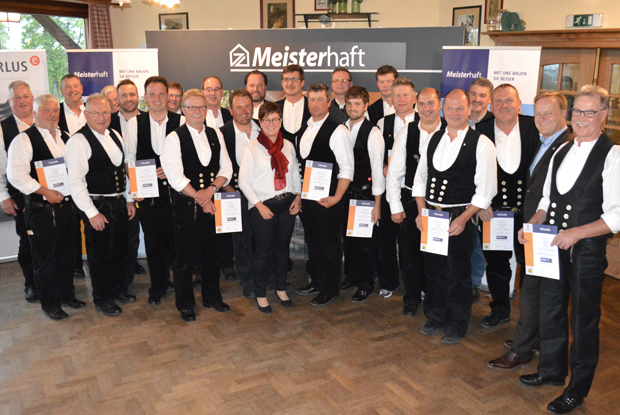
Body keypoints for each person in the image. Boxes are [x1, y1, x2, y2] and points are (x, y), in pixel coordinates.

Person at [519, 85, 620, 414]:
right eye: (578, 111)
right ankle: (551, 370)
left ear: (604, 116)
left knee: (583, 322)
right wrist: (533, 223)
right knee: (550, 310)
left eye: (590, 112)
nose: (582, 118)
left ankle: (577, 389)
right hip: (552, 247)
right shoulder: (561, 150)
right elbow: (547, 200)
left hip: (586, 253)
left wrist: (577, 233)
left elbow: (617, 215)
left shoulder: (613, 155)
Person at [488, 91, 573, 371]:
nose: (542, 118)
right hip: (537, 229)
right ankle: (530, 341)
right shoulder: (545, 142)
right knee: (532, 289)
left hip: (549, 232)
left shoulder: (566, 146)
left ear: (564, 115)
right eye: (538, 114)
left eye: (549, 113)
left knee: (536, 292)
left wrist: (536, 221)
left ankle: (522, 350)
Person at [413, 89, 497, 344]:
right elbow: (420, 179)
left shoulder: (482, 143)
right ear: (443, 110)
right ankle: (435, 316)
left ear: (469, 110)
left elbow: (486, 190)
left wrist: (463, 218)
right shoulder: (433, 138)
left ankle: (456, 324)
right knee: (434, 270)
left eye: (460, 108)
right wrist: (421, 212)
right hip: (432, 216)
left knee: (458, 273)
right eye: (449, 108)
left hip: (460, 217)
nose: (454, 113)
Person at [7, 94, 86, 320]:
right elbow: (16, 175)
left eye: (55, 111)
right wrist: (44, 191)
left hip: (68, 209)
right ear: (35, 113)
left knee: (67, 255)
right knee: (45, 260)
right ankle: (50, 304)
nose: (52, 115)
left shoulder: (66, 137)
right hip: (41, 210)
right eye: (46, 110)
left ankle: (67, 295)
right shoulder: (24, 140)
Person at [161, 89, 233, 322]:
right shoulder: (174, 138)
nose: (197, 111)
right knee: (185, 259)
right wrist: (201, 198)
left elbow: (226, 168)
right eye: (191, 107)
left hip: (212, 204)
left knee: (213, 254)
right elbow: (175, 177)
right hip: (186, 207)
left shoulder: (215, 133)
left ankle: (212, 296)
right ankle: (185, 304)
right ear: (183, 110)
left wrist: (211, 190)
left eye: (201, 107)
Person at [65, 93, 135, 317]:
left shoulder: (115, 134)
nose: (102, 117)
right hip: (97, 206)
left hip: (119, 203)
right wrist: (91, 213)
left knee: (120, 251)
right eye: (96, 113)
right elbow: (76, 182)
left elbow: (123, 171)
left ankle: (117, 290)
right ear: (86, 114)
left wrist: (129, 199)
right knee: (100, 256)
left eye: (105, 112)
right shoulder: (78, 141)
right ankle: (103, 298)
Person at [476, 84, 539, 329]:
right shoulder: (479, 130)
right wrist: (481, 202)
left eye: (509, 100)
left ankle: (530, 317)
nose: (504, 106)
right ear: (491, 106)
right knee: (496, 265)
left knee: (530, 267)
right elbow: (472, 170)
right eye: (498, 102)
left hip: (530, 214)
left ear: (519, 104)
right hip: (493, 213)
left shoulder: (534, 127)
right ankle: (500, 309)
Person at [124, 76, 184, 305]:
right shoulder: (134, 124)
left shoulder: (181, 121)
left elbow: (187, 158)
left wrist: (172, 171)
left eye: (161, 94)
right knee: (153, 243)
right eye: (152, 94)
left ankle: (181, 286)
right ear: (145, 97)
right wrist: (132, 193)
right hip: (147, 196)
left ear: (168, 96)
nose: (157, 98)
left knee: (178, 243)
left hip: (176, 195)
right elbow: (129, 160)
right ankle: (158, 286)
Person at [386, 87, 446, 317]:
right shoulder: (406, 132)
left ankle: (434, 298)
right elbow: (394, 173)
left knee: (437, 255)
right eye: (422, 104)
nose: (426, 108)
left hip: (442, 204)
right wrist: (395, 206)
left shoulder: (451, 130)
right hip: (410, 200)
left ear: (439, 104)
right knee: (410, 254)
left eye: (431, 103)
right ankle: (411, 298)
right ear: (416, 106)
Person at [294, 83, 354, 306]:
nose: (316, 104)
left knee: (330, 245)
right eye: (312, 99)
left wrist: (336, 198)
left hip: (330, 199)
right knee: (313, 242)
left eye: (320, 99)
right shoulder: (304, 129)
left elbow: (347, 169)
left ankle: (330, 289)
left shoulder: (338, 131)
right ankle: (316, 281)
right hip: (308, 200)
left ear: (329, 102)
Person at [238, 101, 301, 313]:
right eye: (266, 120)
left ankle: (281, 289)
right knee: (262, 253)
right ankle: (261, 294)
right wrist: (259, 205)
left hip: (287, 204)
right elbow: (243, 182)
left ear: (281, 121)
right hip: (262, 207)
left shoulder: (288, 145)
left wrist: (298, 197)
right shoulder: (252, 148)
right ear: (260, 122)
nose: (271, 124)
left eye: (275, 119)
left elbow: (295, 174)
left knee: (282, 250)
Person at [373, 77, 417, 299]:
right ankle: (389, 282)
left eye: (405, 95)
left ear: (414, 97)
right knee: (386, 240)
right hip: (390, 190)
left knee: (412, 244)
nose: (400, 99)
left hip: (414, 192)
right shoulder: (383, 123)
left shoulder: (424, 121)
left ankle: (416, 286)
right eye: (396, 95)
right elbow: (377, 154)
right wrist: (382, 165)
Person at [342, 86, 384, 302]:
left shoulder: (373, 133)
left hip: (366, 196)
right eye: (349, 103)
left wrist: (378, 204)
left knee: (365, 243)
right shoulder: (341, 128)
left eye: (357, 104)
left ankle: (366, 283)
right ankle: (351, 276)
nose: (352, 108)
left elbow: (377, 171)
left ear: (366, 106)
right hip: (345, 195)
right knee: (348, 240)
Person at [220, 89, 260, 299]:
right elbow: (217, 168)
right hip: (236, 195)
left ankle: (266, 277)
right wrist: (233, 194)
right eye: (239, 107)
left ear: (253, 108)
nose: (244, 111)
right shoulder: (221, 133)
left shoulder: (265, 127)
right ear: (230, 110)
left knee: (264, 240)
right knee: (242, 242)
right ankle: (248, 281)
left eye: (247, 106)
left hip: (264, 196)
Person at [0, 81, 36, 302]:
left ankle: (56, 282)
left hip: (52, 195)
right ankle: (32, 284)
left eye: (26, 96)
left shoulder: (46, 120)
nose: (22, 101)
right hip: (20, 197)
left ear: (32, 98)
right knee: (28, 242)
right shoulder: (2, 129)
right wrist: (3, 197)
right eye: (17, 97)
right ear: (9, 102)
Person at [467, 77, 494, 303]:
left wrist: (486, 200)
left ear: (489, 99)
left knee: (479, 244)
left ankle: (473, 284)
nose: (477, 99)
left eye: (482, 95)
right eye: (473, 94)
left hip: (484, 196)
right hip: (458, 193)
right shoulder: (455, 120)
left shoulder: (495, 125)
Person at [276, 64, 311, 143]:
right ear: (282, 83)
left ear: (302, 83)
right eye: (287, 79)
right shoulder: (274, 108)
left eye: (294, 79)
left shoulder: (312, 107)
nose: (290, 83)